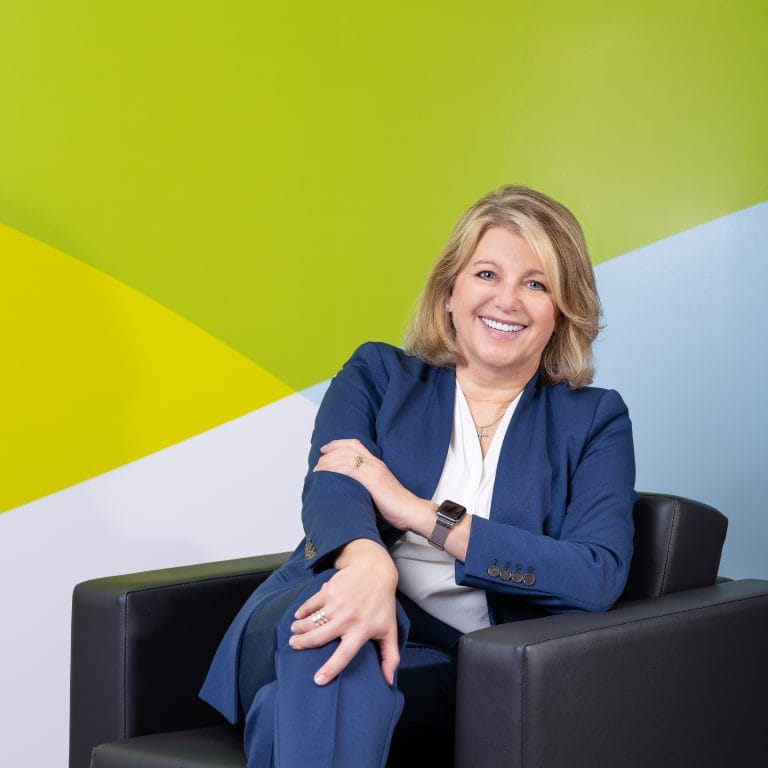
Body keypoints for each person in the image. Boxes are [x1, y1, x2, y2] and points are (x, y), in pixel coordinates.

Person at [200, 185, 636, 767]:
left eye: (536, 284)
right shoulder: (378, 375)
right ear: (449, 291)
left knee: (296, 706)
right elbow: (335, 486)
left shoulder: (593, 419)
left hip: (448, 658)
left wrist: (417, 512)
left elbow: (595, 575)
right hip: (304, 612)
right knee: (338, 621)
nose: (507, 300)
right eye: (486, 274)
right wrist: (369, 564)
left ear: (562, 310)